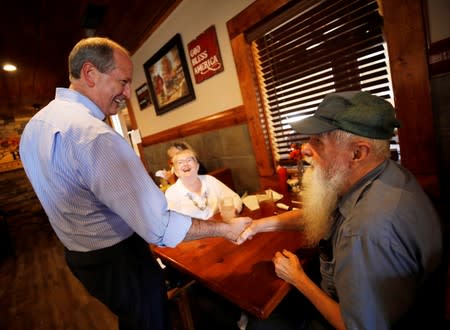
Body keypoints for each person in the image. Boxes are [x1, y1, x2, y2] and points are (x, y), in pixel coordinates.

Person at [19, 37, 251, 330]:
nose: (128, 93)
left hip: (80, 258)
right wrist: (226, 229)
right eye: (124, 82)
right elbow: (159, 226)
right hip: (121, 260)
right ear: (90, 73)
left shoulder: (34, 128)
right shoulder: (93, 135)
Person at [238, 91, 443, 329]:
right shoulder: (386, 174)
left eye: (319, 142)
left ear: (358, 153)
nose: (305, 149)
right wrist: (259, 225)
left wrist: (298, 279)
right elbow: (324, 215)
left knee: (259, 321)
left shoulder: (364, 230)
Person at [165, 149, 242, 220]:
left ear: (197, 166)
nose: (185, 164)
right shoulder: (171, 194)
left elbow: (234, 197)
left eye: (189, 160)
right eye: (180, 162)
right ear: (176, 172)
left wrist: (234, 211)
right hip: (196, 234)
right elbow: (174, 222)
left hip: (221, 225)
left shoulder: (209, 180)